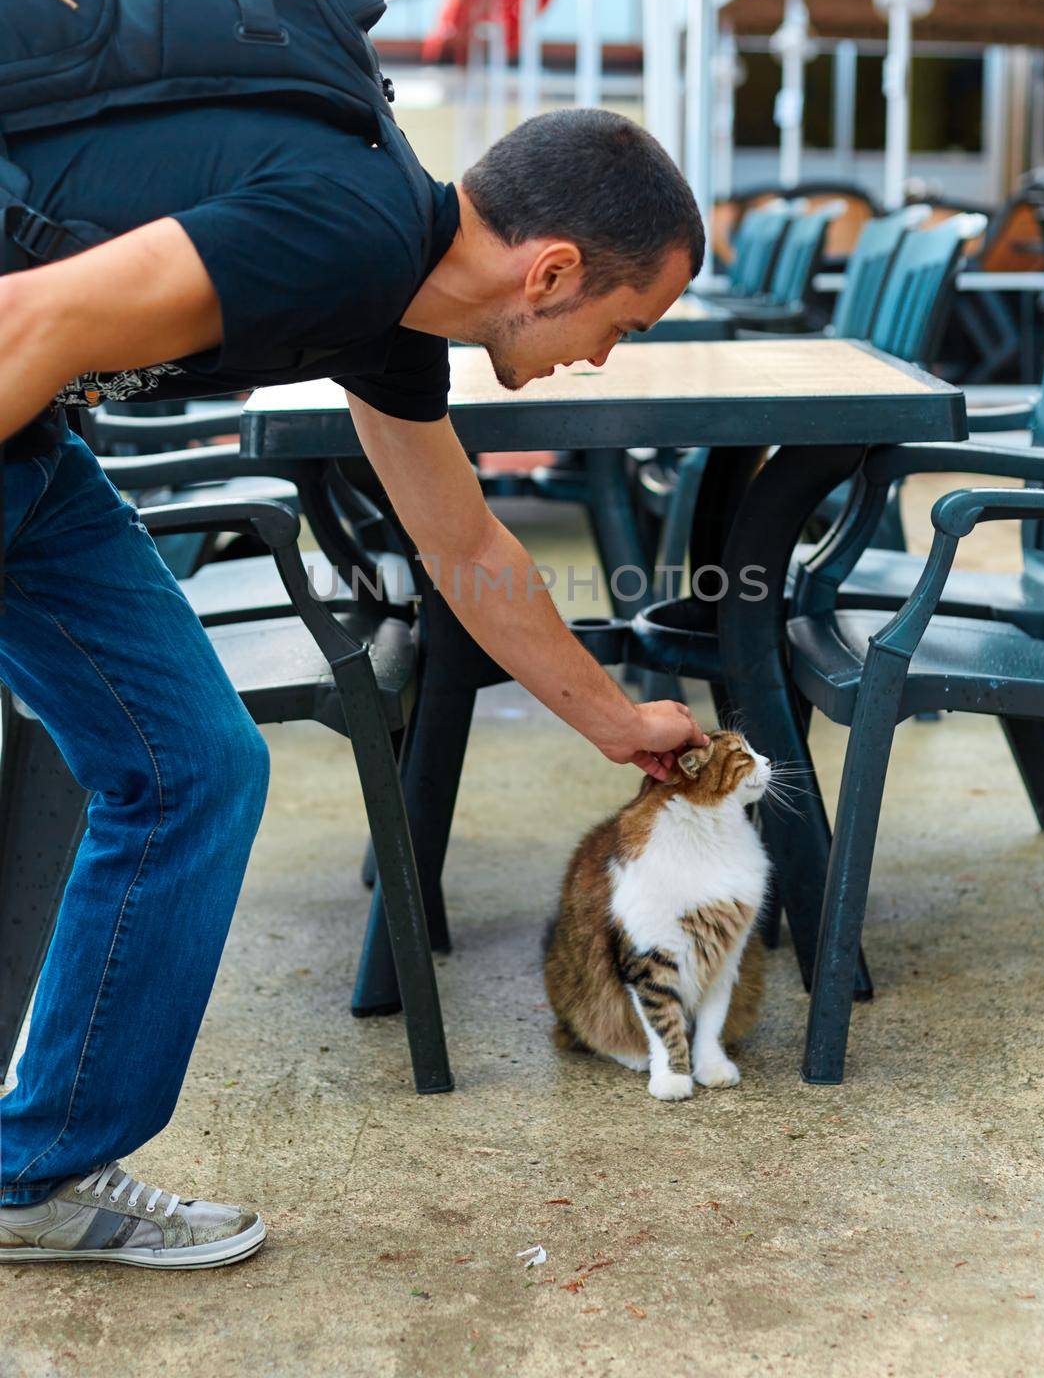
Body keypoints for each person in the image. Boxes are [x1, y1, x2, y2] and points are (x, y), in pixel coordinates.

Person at [0, 103, 709, 1269]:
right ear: (554, 269)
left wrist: (619, 723)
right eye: (620, 325)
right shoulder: (345, 228)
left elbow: (469, 550)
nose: (601, 358)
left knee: (195, 770)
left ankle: (39, 1176)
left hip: (32, 441)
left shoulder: (383, 310)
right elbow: (37, 311)